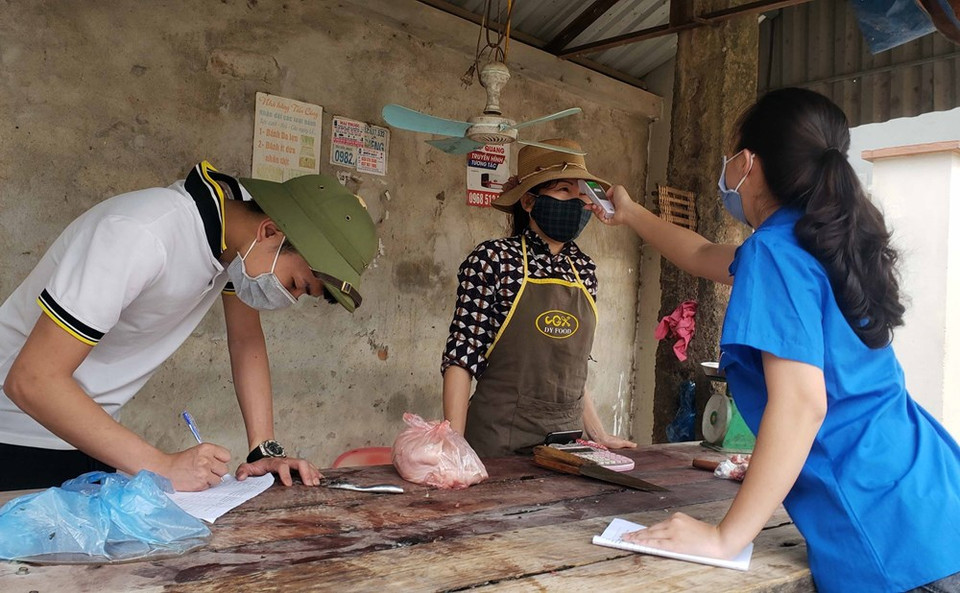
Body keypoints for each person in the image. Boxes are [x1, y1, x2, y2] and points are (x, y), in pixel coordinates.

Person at [590, 88, 960, 592]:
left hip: (886, 533)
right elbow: (700, 253)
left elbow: (802, 404)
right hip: (931, 493)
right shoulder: (823, 240)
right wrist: (631, 214)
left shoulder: (776, 253)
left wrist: (725, 537)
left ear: (748, 163)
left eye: (730, 158)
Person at [0, 161, 378, 492]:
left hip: (89, 437)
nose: (289, 298)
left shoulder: (233, 245)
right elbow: (32, 380)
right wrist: (162, 465)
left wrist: (264, 450)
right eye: (296, 284)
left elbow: (246, 341)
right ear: (269, 232)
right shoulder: (141, 234)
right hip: (15, 438)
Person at [441, 138, 637, 458]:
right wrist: (454, 447)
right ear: (529, 202)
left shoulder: (584, 271)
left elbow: (572, 370)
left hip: (566, 446)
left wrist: (600, 434)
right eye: (563, 190)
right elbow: (462, 359)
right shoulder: (494, 259)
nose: (575, 202)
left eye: (579, 194)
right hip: (498, 441)